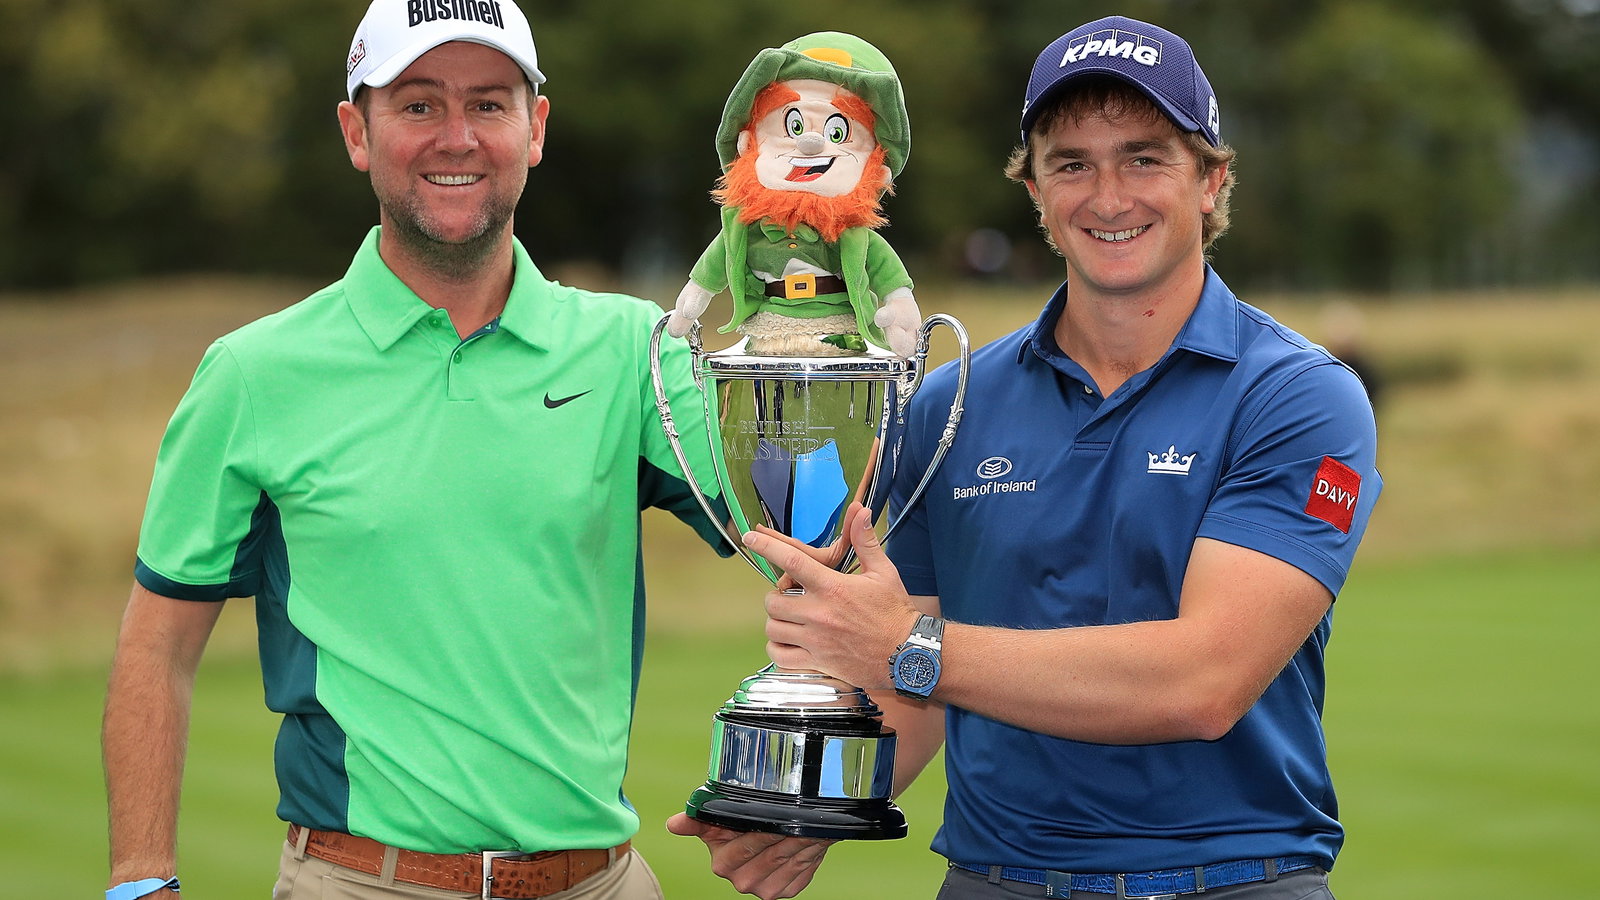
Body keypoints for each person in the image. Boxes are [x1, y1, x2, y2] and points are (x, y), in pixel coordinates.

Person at [672, 15, 1381, 900]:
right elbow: (912, 700)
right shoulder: (947, 405)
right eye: (1071, 164)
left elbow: (1204, 681)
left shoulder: (1299, 396)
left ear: (1211, 181)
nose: (1108, 197)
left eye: (1145, 158)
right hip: (994, 879)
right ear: (1035, 190)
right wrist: (798, 807)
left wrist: (907, 647)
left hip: (1233, 878)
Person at [101, 1, 727, 898]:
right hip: (362, 881)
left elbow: (795, 530)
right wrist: (140, 881)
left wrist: (814, 313)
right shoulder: (254, 374)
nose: (457, 137)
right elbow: (157, 647)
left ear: (535, 129)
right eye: (420, 104)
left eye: (489, 103)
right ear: (358, 132)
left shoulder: (636, 351)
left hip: (603, 882)